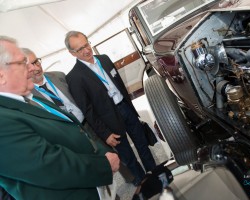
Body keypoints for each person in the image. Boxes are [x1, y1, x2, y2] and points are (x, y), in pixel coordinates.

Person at [0, 35, 120, 200]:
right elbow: (49, 165)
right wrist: (103, 166)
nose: (30, 69)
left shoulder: (25, 101)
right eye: (22, 63)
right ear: (1, 76)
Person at [65, 31, 156, 186]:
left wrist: (132, 110)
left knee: (143, 145)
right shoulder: (74, 77)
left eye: (86, 44)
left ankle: (155, 174)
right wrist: (105, 134)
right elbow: (88, 110)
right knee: (128, 157)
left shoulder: (104, 59)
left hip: (126, 109)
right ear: (72, 53)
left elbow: (119, 85)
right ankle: (143, 184)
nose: (86, 50)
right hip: (109, 122)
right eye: (80, 49)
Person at [21, 48, 85, 122]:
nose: (37, 68)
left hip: (87, 123)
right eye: (30, 65)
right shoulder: (26, 96)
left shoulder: (59, 75)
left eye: (36, 62)